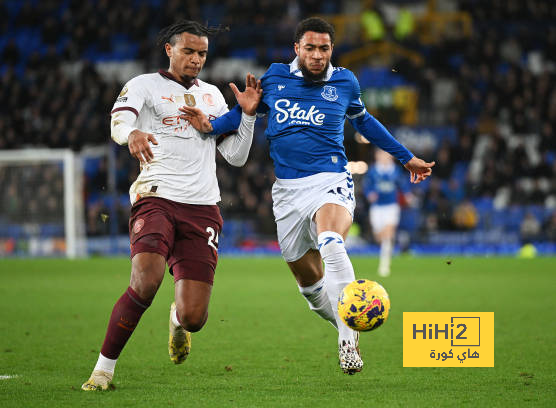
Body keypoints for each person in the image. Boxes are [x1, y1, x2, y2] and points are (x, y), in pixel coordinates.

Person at [180, 17, 434, 375]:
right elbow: (243, 112)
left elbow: (365, 122)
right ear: (297, 49)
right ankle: (349, 325)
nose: (317, 55)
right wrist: (212, 126)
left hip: (330, 179)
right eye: (311, 48)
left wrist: (406, 157)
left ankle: (347, 344)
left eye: (324, 48)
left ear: (332, 50)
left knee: (331, 242)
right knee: (311, 289)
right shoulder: (274, 78)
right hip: (287, 192)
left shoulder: (345, 81)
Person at [81, 20, 262, 391]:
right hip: (156, 196)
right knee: (146, 279)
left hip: (203, 207)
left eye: (202, 54)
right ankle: (103, 371)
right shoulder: (144, 85)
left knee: (195, 317)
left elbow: (237, 157)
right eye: (189, 51)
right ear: (170, 49)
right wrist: (131, 133)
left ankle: (178, 321)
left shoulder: (212, 95)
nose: (196, 59)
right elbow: (120, 120)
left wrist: (246, 117)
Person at [364, 149, 413, 277]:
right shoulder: (373, 171)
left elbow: (403, 185)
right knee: (379, 236)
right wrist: (369, 194)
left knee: (388, 234)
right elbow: (367, 186)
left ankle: (384, 265)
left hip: (391, 206)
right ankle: (385, 256)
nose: (384, 157)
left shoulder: (395, 171)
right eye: (381, 154)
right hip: (377, 207)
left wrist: (407, 195)